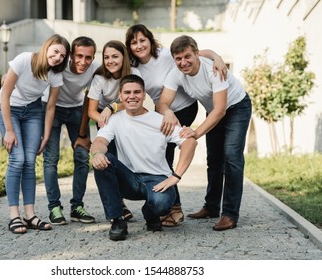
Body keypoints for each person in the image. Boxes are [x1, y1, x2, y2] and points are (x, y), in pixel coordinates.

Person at [125, 24, 227, 227]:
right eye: (134, 42)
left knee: (169, 154)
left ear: (150, 40)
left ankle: (179, 208)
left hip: (186, 108)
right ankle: (172, 206)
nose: (139, 45)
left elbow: (198, 52)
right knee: (162, 155)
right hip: (163, 112)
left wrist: (218, 58)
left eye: (142, 40)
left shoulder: (163, 55)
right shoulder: (134, 67)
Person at [157, 35, 252, 231]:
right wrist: (167, 112)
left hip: (236, 107)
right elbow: (163, 102)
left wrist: (195, 133)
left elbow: (220, 110)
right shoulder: (176, 73)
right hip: (215, 111)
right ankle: (211, 207)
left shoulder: (213, 70)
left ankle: (230, 214)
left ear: (196, 54)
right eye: (179, 58)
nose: (183, 62)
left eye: (187, 56)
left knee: (232, 156)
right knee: (214, 160)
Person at [91, 74, 197, 241]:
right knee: (104, 160)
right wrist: (97, 154)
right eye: (127, 92)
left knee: (162, 203)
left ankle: (150, 214)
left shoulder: (161, 121)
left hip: (157, 180)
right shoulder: (114, 120)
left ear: (144, 94)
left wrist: (176, 176)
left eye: (136, 92)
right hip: (129, 180)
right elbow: (99, 142)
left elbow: (190, 142)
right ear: (120, 96)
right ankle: (117, 221)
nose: (132, 96)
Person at [0, 34, 70, 234]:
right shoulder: (23, 60)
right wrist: (9, 131)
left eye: (62, 56)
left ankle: (29, 214)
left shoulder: (55, 75)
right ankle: (14, 215)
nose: (57, 58)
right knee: (17, 159)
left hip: (34, 112)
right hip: (9, 108)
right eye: (55, 51)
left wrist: (46, 135)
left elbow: (51, 107)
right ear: (47, 47)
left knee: (30, 161)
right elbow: (5, 95)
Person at [41, 36, 100, 225]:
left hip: (77, 110)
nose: (83, 62)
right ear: (71, 55)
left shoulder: (95, 68)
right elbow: (36, 64)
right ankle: (54, 208)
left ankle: (77, 207)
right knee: (51, 159)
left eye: (88, 57)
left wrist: (83, 133)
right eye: (79, 56)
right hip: (51, 109)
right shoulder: (59, 63)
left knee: (82, 157)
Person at [87, 40, 140, 220]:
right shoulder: (100, 77)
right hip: (106, 121)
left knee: (127, 160)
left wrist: (113, 107)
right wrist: (107, 117)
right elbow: (91, 111)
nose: (110, 61)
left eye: (115, 56)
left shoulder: (134, 73)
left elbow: (135, 100)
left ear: (123, 57)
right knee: (109, 160)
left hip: (128, 117)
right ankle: (119, 206)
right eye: (106, 57)